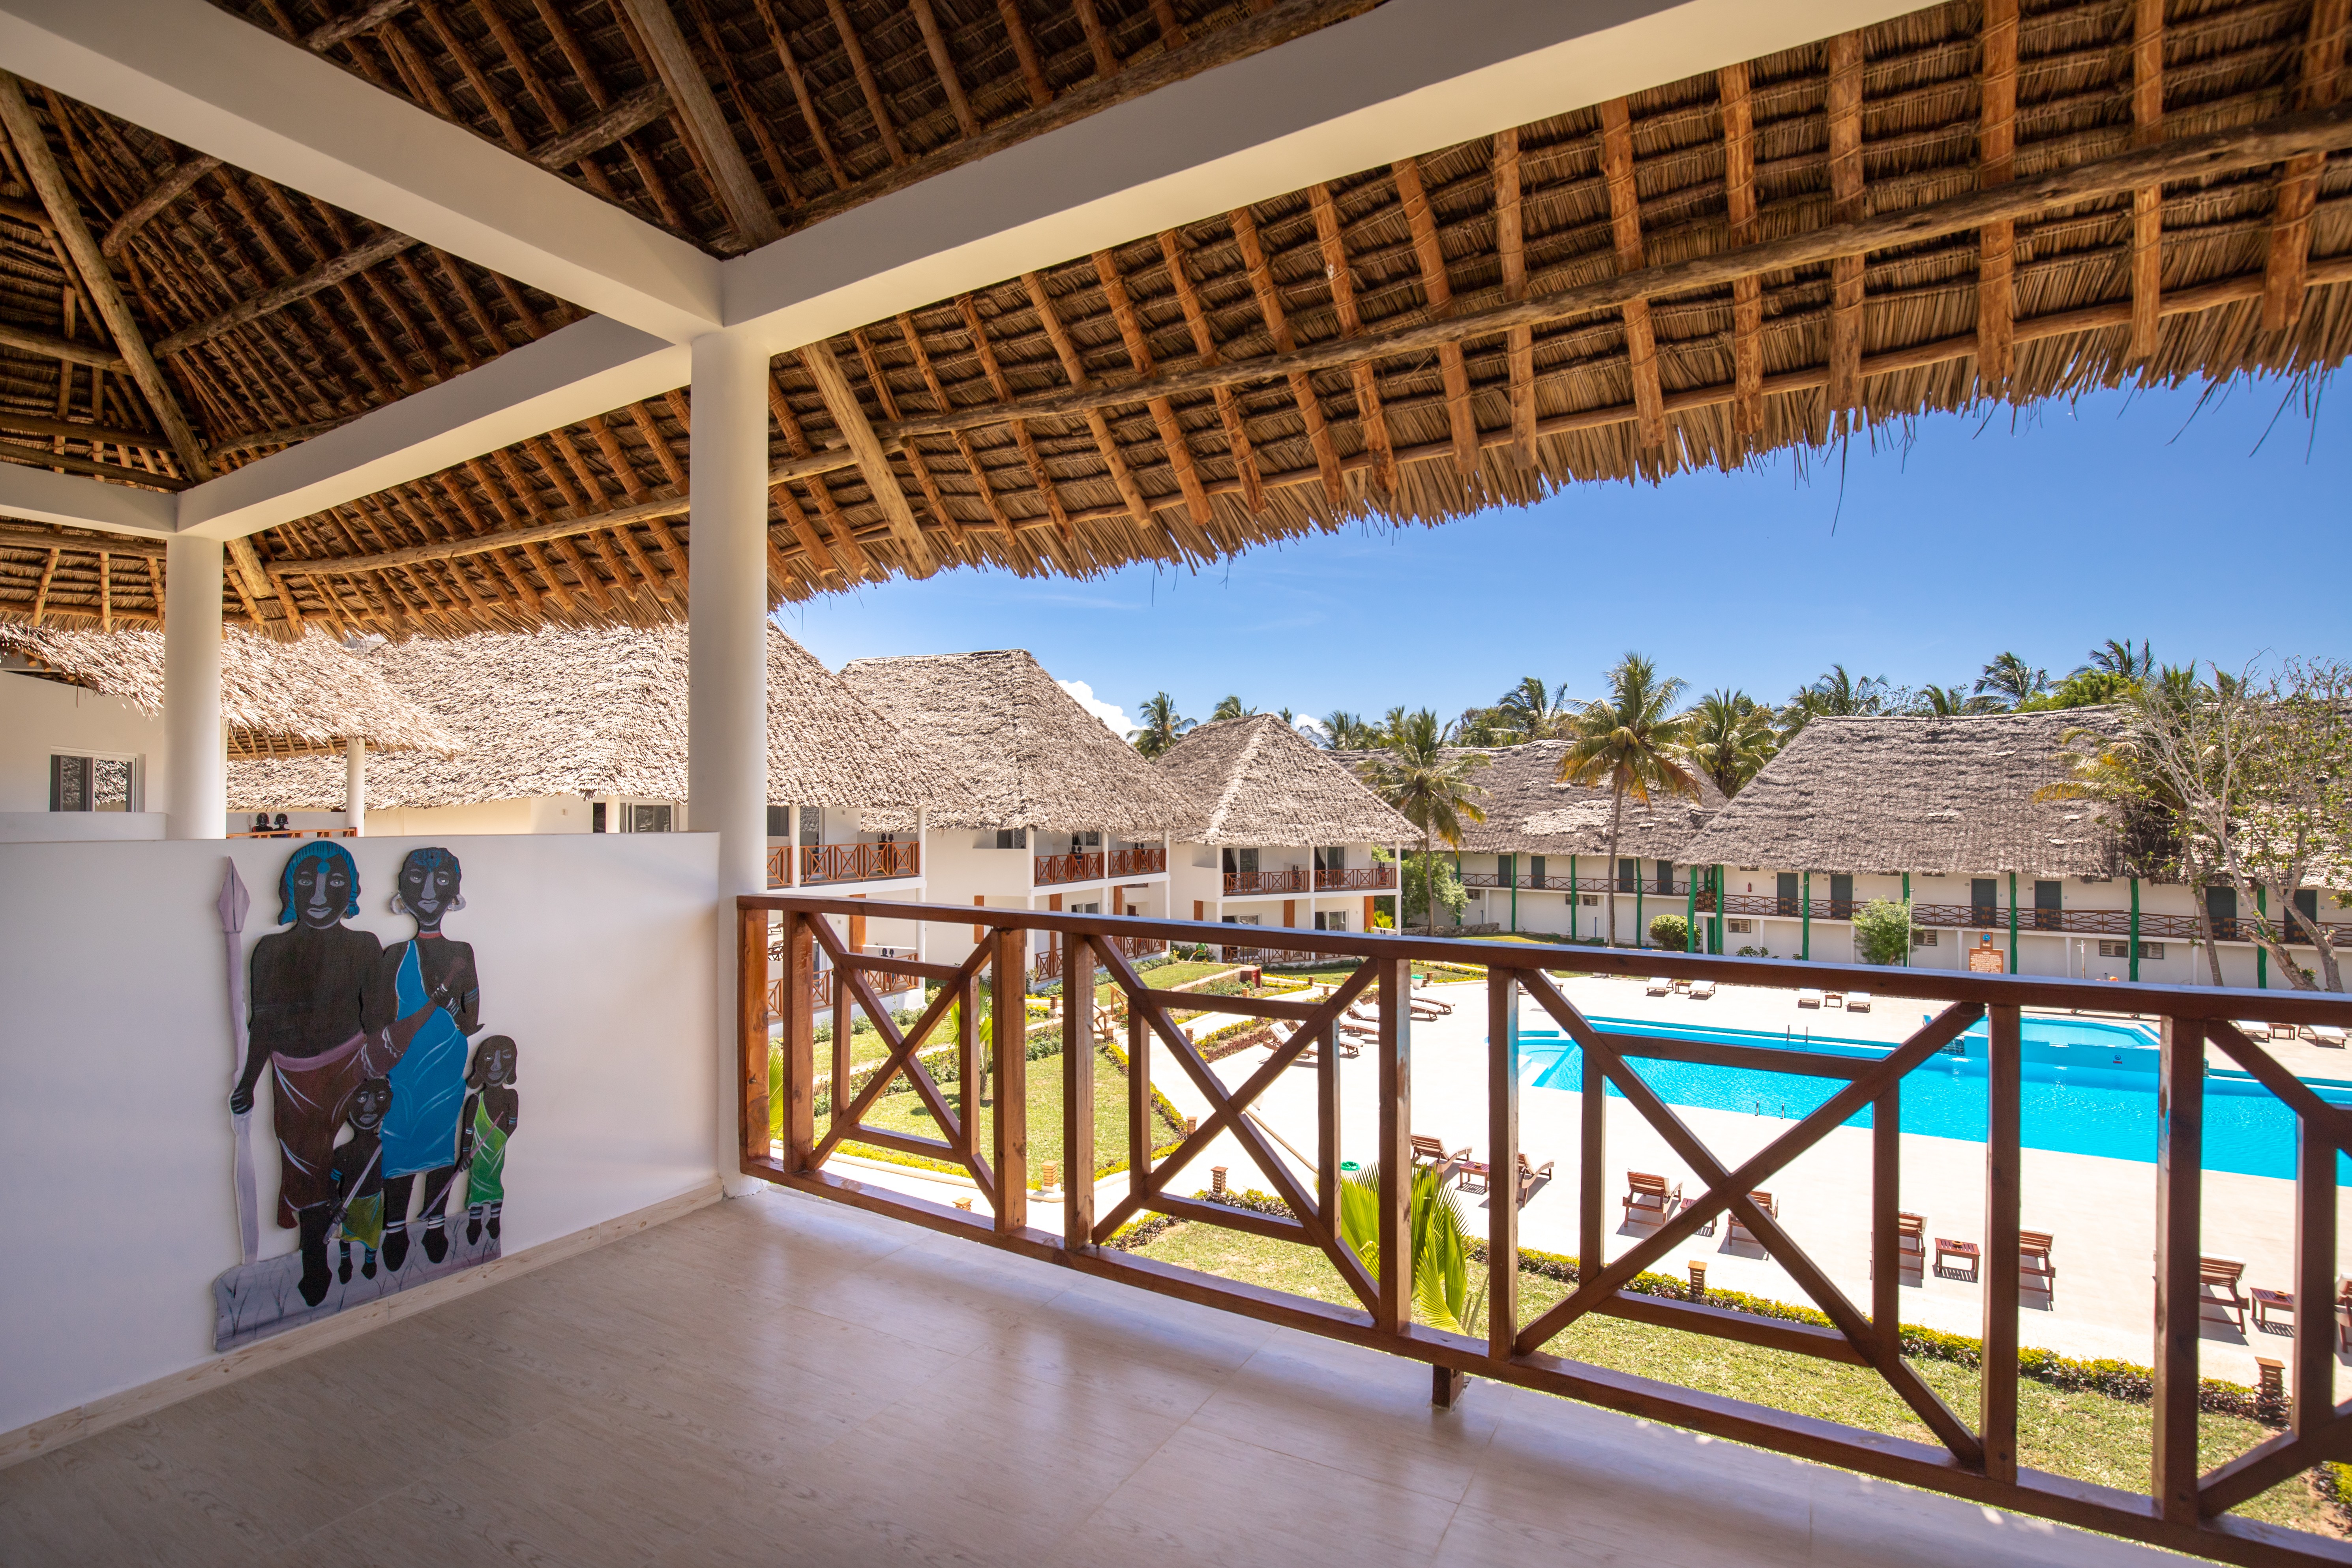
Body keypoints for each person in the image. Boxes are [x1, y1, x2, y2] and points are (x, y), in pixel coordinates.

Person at [232, 842, 391, 1306]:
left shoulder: (365, 946)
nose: (320, 894)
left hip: (354, 1064)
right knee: (306, 1168)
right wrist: (247, 1082)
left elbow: (378, 1018)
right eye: (307, 881)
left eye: (334, 882)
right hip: (295, 1077)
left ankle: (363, 1241)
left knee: (364, 1154)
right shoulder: (271, 950)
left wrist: (381, 1073)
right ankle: (314, 1257)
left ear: (352, 891)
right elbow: (263, 1024)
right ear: (291, 890)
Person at [375, 849, 480, 1270]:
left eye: (441, 881)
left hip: (446, 1064)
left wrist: (449, 1005)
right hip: (403, 1065)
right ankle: (394, 1227)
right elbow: (377, 1022)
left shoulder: (463, 951)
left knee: (440, 1140)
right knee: (397, 1141)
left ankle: (436, 1221)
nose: (431, 891)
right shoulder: (395, 955)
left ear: (455, 892)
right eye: (419, 880)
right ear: (403, 892)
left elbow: (470, 1023)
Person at [456, 1038, 518, 1245]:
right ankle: (475, 1221)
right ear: (479, 1065)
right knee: (477, 1182)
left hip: (497, 1150)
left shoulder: (511, 1097)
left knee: (495, 1181)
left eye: (505, 1057)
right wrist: (465, 1153)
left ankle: (494, 1219)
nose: (497, 1066)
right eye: (490, 1058)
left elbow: (513, 1124)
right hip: (479, 1152)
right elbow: (468, 1130)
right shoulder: (476, 1100)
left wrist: (499, 1140)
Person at [332, 1078, 393, 1283]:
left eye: (379, 1098)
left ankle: (370, 1261)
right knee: (347, 1236)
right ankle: (346, 1261)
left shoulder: (383, 1149)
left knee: (373, 1236)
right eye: (362, 1099)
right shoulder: (344, 1153)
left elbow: (389, 1177)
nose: (369, 1107)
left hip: (374, 1203)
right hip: (351, 1204)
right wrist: (336, 1205)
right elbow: (332, 1183)